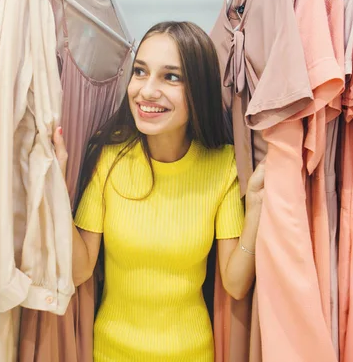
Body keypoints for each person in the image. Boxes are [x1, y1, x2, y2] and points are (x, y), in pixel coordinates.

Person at [52, 21, 264, 362]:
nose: (147, 91)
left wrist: (254, 212)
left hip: (192, 354)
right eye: (140, 71)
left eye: (171, 77)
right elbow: (80, 271)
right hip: (110, 352)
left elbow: (236, 284)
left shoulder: (222, 166)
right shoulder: (109, 158)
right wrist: (57, 190)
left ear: (199, 90)